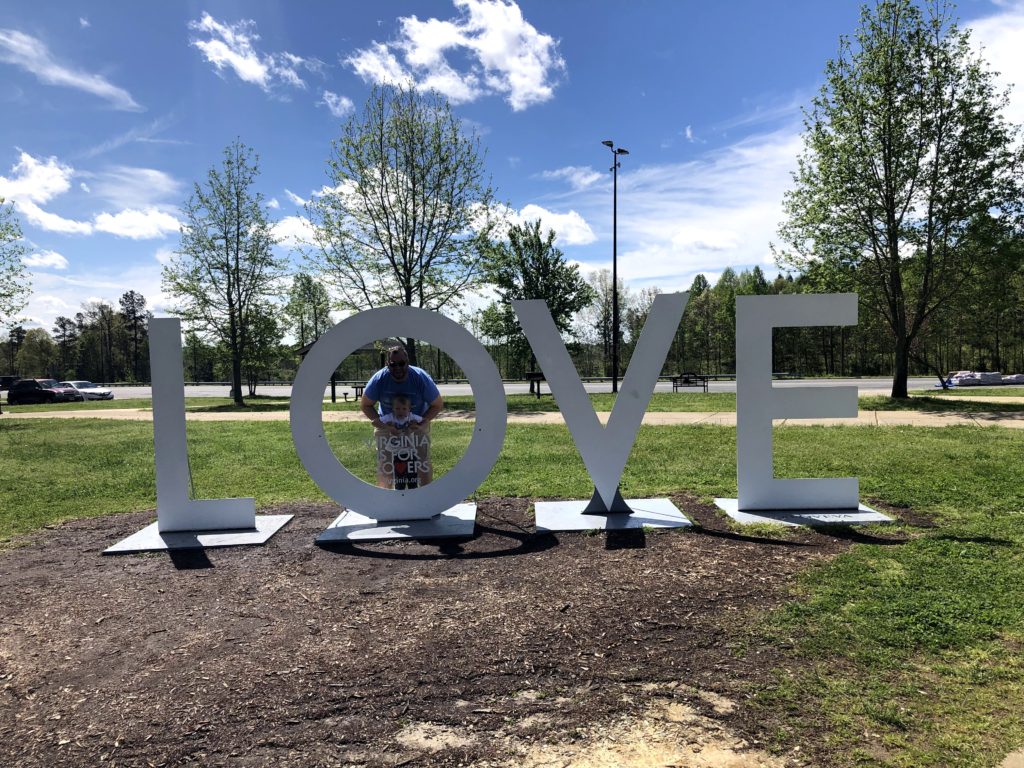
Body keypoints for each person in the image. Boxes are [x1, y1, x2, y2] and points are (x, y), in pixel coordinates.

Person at [360, 346, 444, 488]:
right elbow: (365, 405)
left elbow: (437, 404)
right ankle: (385, 501)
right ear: (387, 364)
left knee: (422, 462)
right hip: (387, 425)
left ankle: (425, 498)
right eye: (393, 364)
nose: (397, 367)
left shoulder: (420, 377)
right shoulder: (379, 379)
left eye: (401, 363)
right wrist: (383, 425)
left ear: (407, 361)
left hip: (415, 425)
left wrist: (424, 422)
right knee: (385, 463)